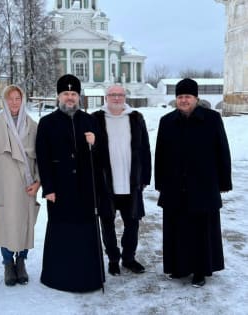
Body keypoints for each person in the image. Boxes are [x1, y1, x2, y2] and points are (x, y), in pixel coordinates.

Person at [155, 78, 232, 287]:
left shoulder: (212, 119)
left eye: (187, 96)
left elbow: (222, 151)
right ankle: (179, 267)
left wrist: (224, 182)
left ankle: (200, 270)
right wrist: (160, 182)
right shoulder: (167, 121)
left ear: (196, 98)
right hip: (174, 186)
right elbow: (160, 154)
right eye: (180, 97)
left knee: (201, 230)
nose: (183, 100)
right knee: (177, 228)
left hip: (203, 185)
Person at [36, 74, 105, 292]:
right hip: (60, 189)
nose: (70, 97)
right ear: (58, 96)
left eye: (73, 94)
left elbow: (102, 157)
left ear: (79, 96)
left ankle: (88, 277)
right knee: (62, 233)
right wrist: (49, 188)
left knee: (85, 233)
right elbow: (42, 157)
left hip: (86, 189)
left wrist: (95, 144)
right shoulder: (47, 123)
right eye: (66, 93)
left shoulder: (90, 120)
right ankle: (59, 278)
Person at [0, 85, 40, 287]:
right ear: (3, 101)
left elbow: (41, 158)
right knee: (5, 224)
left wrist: (38, 182)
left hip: (26, 186)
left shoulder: (33, 126)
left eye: (18, 98)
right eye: (10, 99)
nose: (14, 102)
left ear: (23, 101)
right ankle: (8, 264)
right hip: (2, 186)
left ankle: (21, 262)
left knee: (24, 224)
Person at [92, 85, 151, 276]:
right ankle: (113, 259)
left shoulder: (135, 118)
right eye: (112, 95)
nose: (116, 98)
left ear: (125, 97)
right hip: (106, 183)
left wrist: (145, 177)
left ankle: (128, 258)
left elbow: (145, 150)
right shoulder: (95, 119)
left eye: (120, 95)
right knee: (107, 224)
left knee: (132, 224)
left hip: (131, 183)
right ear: (106, 97)